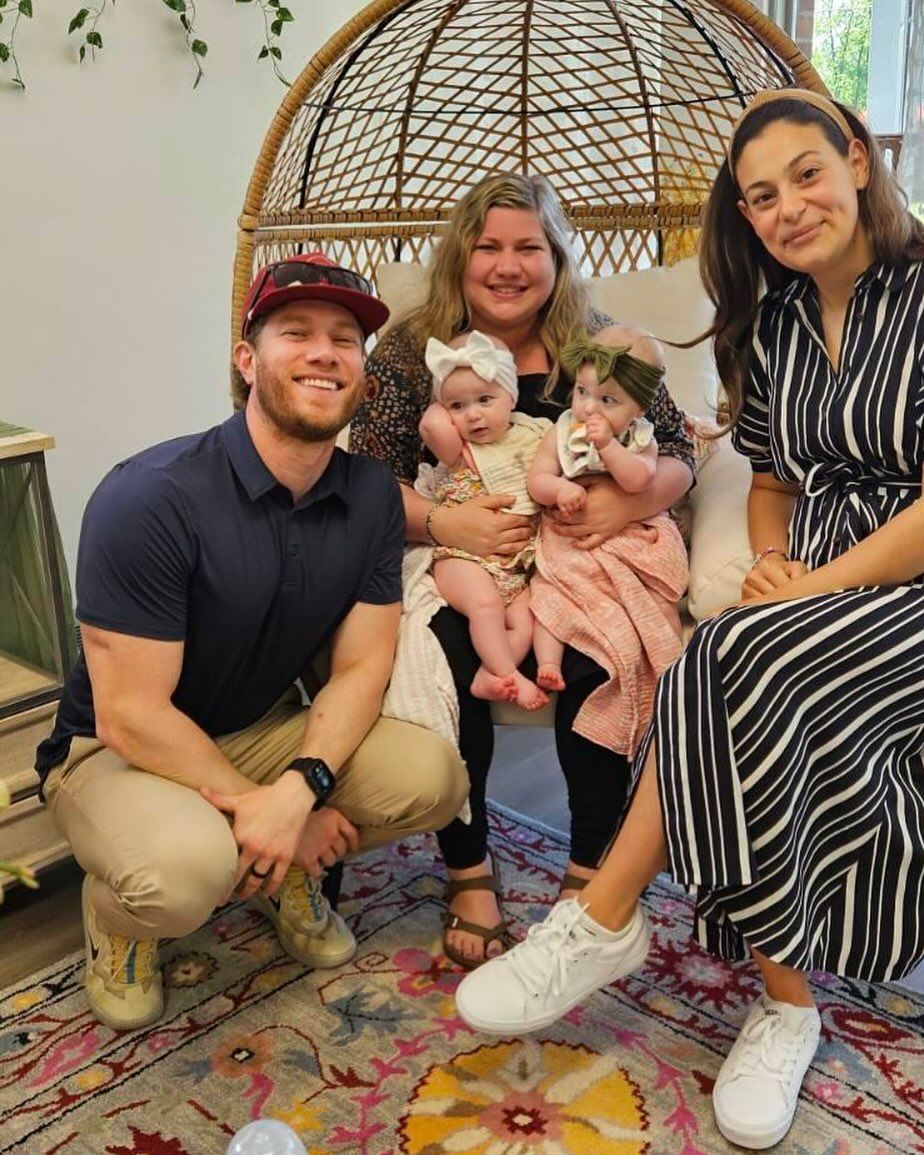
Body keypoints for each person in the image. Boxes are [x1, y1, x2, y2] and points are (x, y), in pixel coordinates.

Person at [455, 90, 924, 1150]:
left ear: (857, 160)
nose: (789, 207)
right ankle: (775, 998)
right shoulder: (780, 325)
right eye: (761, 195)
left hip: (904, 579)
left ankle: (613, 921)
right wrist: (770, 563)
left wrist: (822, 580)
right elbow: (765, 479)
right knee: (725, 649)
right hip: (818, 577)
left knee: (724, 659)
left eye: (808, 173)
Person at [35, 251, 468, 1031]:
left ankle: (274, 862)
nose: (324, 351)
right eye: (294, 331)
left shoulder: (371, 494)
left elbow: (364, 663)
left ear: (362, 371)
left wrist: (298, 784)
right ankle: (121, 915)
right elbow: (129, 714)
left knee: (433, 777)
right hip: (113, 749)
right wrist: (285, 820)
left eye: (345, 338)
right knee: (181, 873)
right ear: (247, 359)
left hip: (263, 730)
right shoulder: (148, 497)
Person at [349, 172, 695, 968]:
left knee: (596, 660)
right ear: (461, 258)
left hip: (578, 562)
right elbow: (367, 476)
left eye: (528, 248)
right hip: (462, 553)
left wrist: (623, 509)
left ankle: (587, 868)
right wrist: (445, 520)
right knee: (449, 655)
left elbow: (676, 453)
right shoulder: (412, 348)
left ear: (557, 257)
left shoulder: (599, 345)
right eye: (489, 247)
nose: (508, 266)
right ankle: (468, 866)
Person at [528, 325, 687, 730]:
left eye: (608, 400)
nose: (588, 409)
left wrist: (610, 448)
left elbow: (638, 481)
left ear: (638, 409)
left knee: (647, 600)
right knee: (549, 591)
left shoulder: (641, 440)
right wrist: (559, 488)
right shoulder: (561, 431)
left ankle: (657, 674)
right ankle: (548, 660)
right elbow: (537, 480)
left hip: (630, 529)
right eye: (582, 392)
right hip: (571, 535)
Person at [420, 329, 548, 711]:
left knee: (527, 621)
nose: (472, 414)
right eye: (456, 406)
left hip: (516, 566)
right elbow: (431, 425)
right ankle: (509, 675)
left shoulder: (533, 435)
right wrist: (441, 392)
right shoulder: (459, 449)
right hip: (460, 557)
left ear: (511, 397)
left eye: (485, 399)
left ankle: (487, 674)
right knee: (486, 607)